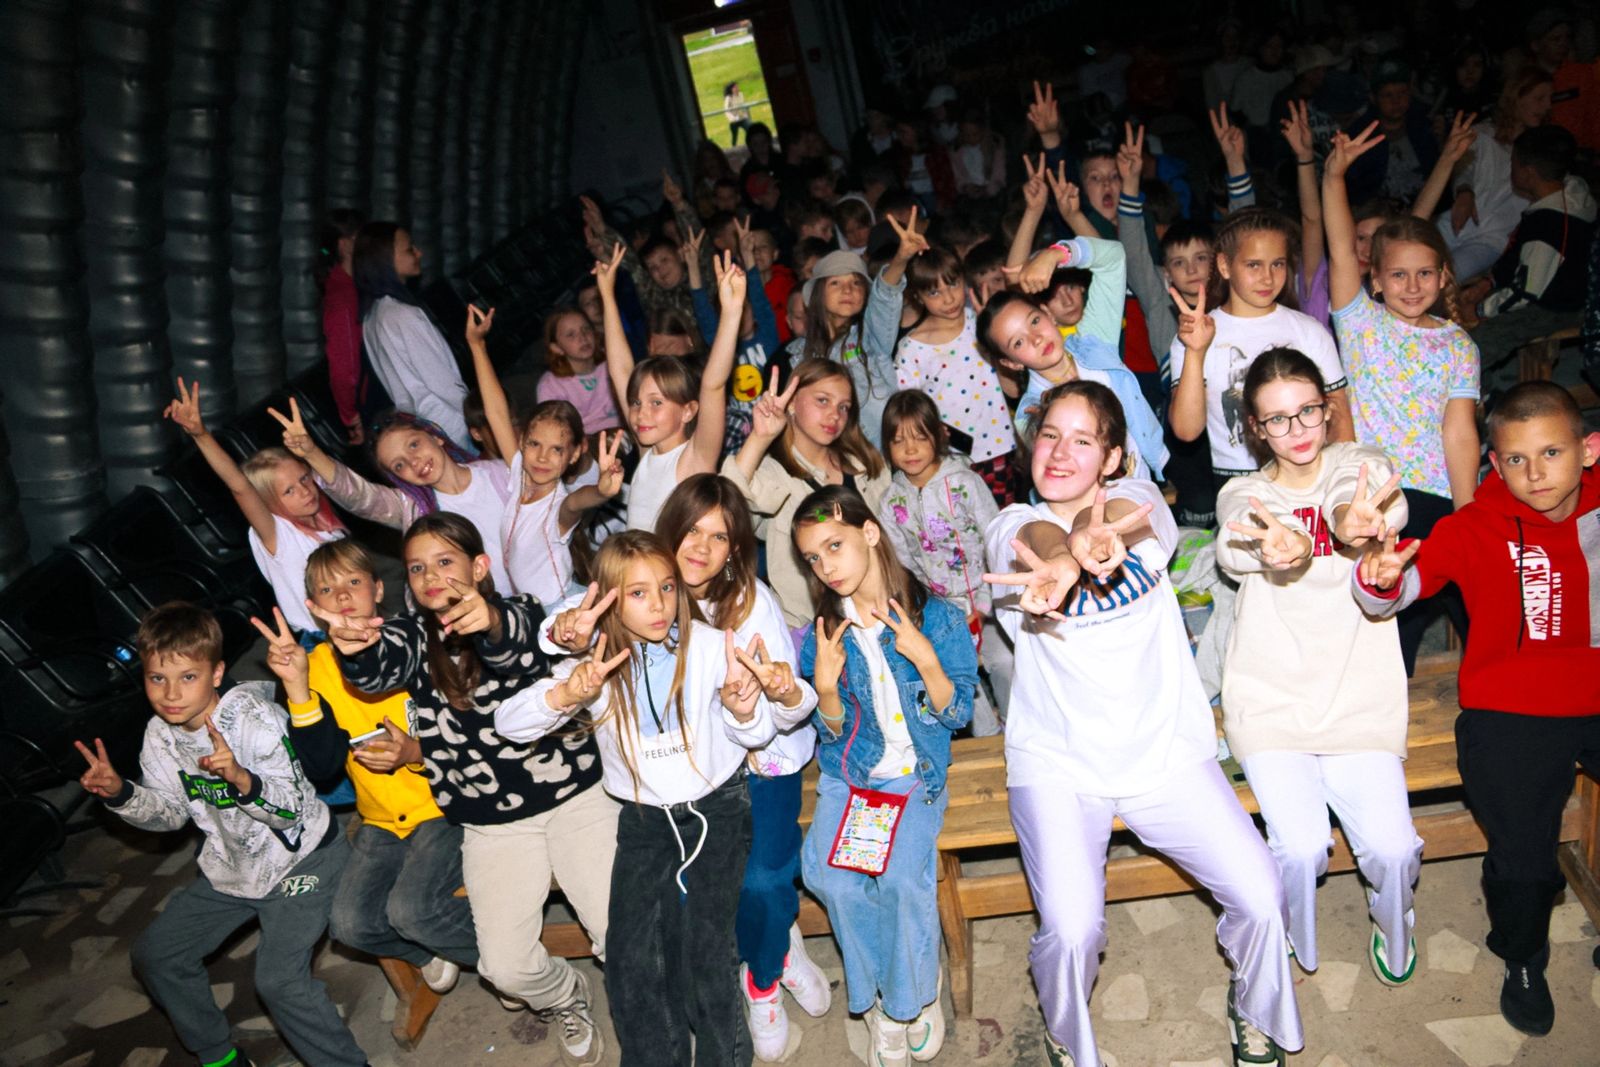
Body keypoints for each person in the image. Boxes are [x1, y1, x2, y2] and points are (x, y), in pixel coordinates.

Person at [982, 381, 1303, 1067]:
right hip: (1060, 764)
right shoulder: (1010, 526)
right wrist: (1063, 555)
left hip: (1165, 752)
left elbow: (1130, 515)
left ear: (1112, 458)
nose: (1059, 451)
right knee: (1071, 931)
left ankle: (1254, 1008)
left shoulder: (1138, 502)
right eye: (1049, 435)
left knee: (1262, 893)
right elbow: (1034, 538)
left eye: (1082, 440)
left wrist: (1095, 535)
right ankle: (1068, 1037)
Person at [498, 530, 809, 1067]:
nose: (659, 604)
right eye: (638, 593)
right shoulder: (596, 663)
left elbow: (758, 733)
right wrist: (567, 692)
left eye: (667, 587)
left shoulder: (710, 647)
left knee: (707, 954)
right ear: (609, 600)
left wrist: (742, 710)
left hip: (716, 809)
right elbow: (509, 724)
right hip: (643, 821)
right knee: (630, 960)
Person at [318, 512, 615, 1065]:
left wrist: (490, 621)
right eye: (417, 568)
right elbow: (378, 669)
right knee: (505, 969)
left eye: (445, 561)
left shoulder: (522, 612)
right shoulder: (411, 636)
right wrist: (354, 649)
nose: (431, 576)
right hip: (490, 821)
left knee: (617, 929)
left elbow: (516, 646)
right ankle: (564, 994)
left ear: (479, 566)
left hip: (574, 798)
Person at [1353, 381, 1600, 1037]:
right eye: (1516, 458)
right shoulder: (1473, 526)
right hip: (1511, 706)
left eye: (1551, 452)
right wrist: (1379, 578)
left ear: (1589, 449)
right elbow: (1399, 587)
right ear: (1494, 463)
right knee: (1524, 854)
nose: (1535, 473)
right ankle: (1523, 956)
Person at [76, 602, 367, 1067]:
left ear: (216, 673)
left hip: (304, 861)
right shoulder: (160, 735)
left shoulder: (253, 718)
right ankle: (222, 1059)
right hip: (233, 870)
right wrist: (121, 793)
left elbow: (292, 811)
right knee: (156, 954)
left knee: (279, 982)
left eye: (188, 677)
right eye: (157, 678)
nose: (171, 693)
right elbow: (170, 815)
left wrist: (243, 781)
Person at [1214, 349, 1424, 986]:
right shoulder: (1245, 491)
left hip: (1360, 694)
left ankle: (1395, 917)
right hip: (1271, 699)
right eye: (1277, 419)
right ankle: (1290, 929)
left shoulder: (1362, 469)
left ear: (1328, 410)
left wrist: (1345, 522)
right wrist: (1281, 544)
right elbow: (1236, 533)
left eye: (1307, 411)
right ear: (1256, 428)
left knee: (1393, 849)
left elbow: (1354, 497)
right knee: (1301, 848)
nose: (1297, 429)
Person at [260, 543, 478, 1040]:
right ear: (312, 606)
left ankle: (513, 963)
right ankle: (434, 950)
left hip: (442, 804)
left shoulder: (414, 641)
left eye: (353, 583)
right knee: (349, 925)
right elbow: (322, 769)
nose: (342, 597)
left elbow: (469, 730)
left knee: (412, 910)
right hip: (380, 819)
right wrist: (297, 688)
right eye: (326, 589)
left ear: (378, 589)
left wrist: (414, 752)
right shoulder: (312, 665)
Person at [793, 485, 977, 1067]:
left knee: (900, 878)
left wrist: (925, 658)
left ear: (870, 532)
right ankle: (882, 994)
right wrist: (826, 688)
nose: (826, 566)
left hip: (914, 775)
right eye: (813, 558)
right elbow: (829, 736)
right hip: (853, 778)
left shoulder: (937, 616)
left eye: (835, 545)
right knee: (834, 879)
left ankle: (912, 1001)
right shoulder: (824, 636)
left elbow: (958, 714)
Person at [652, 476, 831, 1059]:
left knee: (762, 880)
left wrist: (775, 693)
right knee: (693, 892)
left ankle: (763, 978)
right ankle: (780, 937)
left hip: (765, 763)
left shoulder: (751, 601)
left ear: (734, 548)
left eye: (719, 536)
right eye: (692, 530)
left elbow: (791, 706)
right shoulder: (650, 597)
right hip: (696, 774)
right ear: (671, 530)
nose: (701, 547)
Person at [1325, 122, 1480, 672]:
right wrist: (1334, 176)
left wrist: (1468, 514)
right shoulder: (1360, 323)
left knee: (1476, 604)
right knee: (1393, 625)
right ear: (1375, 280)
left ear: (1442, 277)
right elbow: (1339, 246)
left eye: (1424, 274)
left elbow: (1459, 431)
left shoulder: (1457, 343)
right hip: (1380, 498)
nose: (1412, 286)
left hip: (1437, 495)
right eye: (1398, 275)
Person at [1168, 207, 1353, 513]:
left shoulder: (1308, 331)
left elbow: (1340, 419)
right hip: (1237, 482)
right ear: (1224, 265)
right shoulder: (1196, 334)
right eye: (1253, 264)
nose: (1267, 277)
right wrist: (1196, 351)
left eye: (1277, 264)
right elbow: (1187, 431)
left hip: (1309, 477)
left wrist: (1344, 489)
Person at [164, 378, 346, 640]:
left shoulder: (328, 524)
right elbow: (239, 486)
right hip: (320, 640)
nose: (304, 490)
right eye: (289, 491)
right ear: (268, 501)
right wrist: (200, 435)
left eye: (304, 478)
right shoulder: (278, 534)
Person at [876, 390, 1009, 736]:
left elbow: (995, 538)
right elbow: (902, 565)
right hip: (941, 610)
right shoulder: (890, 502)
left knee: (1003, 662)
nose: (910, 449)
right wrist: (929, 612)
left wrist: (984, 604)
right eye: (898, 440)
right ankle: (987, 739)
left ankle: (1017, 727)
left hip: (989, 599)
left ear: (937, 435)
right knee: (959, 676)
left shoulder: (965, 483)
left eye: (920, 437)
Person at [981, 236, 1166, 482]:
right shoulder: (1031, 412)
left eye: (1034, 321)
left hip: (1146, 480)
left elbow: (1113, 258)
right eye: (1018, 342)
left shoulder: (1092, 342)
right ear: (1011, 362)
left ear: (1047, 313)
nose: (1036, 338)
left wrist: (1058, 254)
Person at [723, 360, 892, 629]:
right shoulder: (771, 473)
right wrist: (760, 437)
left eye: (843, 407)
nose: (835, 415)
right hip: (809, 629)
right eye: (823, 401)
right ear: (791, 403)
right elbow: (725, 513)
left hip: (883, 615)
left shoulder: (866, 465)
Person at [596, 243, 744, 531]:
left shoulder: (695, 458)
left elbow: (713, 385)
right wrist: (607, 296)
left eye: (656, 403)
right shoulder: (646, 451)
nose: (641, 413)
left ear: (688, 411)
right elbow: (621, 370)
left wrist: (731, 311)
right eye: (636, 402)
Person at [887, 224, 1016, 505]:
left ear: (963, 280)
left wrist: (991, 328)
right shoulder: (912, 347)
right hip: (950, 459)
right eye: (934, 292)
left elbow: (1013, 376)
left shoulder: (979, 321)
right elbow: (907, 406)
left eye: (953, 284)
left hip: (997, 445)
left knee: (1004, 519)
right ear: (917, 296)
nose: (948, 298)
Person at [1466, 125, 1597, 369]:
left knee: (1476, 345)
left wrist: (1480, 310)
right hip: (1556, 292)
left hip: (1559, 306)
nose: (1511, 169)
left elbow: (1527, 293)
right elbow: (1518, 261)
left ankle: (1472, 387)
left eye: (1513, 163)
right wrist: (1488, 283)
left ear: (1528, 173)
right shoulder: (1569, 194)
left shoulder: (1549, 225)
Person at [353, 222, 472, 450]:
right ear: (386, 259)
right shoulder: (403, 314)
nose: (419, 253)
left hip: (425, 430)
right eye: (409, 249)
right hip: (453, 427)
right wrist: (480, 417)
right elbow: (442, 382)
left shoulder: (372, 317)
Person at [1434, 69, 1554, 282]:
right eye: (1539, 99)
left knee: (1446, 278)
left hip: (1492, 240)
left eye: (1549, 99)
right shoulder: (1483, 133)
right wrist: (1464, 192)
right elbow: (1464, 168)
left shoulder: (1543, 151)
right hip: (1457, 222)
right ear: (1517, 97)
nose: (1547, 106)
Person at [685, 222, 784, 455]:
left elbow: (758, 296)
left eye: (743, 309)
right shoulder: (721, 346)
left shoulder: (767, 336)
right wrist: (692, 265)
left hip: (772, 420)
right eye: (731, 313)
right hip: (739, 429)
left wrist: (748, 255)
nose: (738, 317)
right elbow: (702, 309)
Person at [796, 248, 904, 447]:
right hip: (837, 454)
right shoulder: (799, 355)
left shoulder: (872, 336)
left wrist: (901, 258)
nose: (847, 290)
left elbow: (885, 298)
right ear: (818, 293)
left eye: (856, 283)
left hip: (888, 451)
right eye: (835, 283)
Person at [1341, 59, 1441, 206]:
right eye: (1387, 95)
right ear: (1373, 98)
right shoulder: (1359, 136)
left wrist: (1441, 140)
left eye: (1402, 93)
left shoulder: (1424, 126)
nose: (1396, 101)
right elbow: (1353, 191)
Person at [318, 209, 372, 445]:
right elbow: (343, 368)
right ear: (345, 245)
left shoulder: (355, 286)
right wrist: (351, 417)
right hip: (367, 408)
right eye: (362, 238)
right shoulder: (342, 296)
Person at [534, 306, 623, 439]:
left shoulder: (612, 363)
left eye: (586, 329)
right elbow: (556, 430)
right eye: (571, 335)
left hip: (624, 431)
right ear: (557, 347)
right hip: (586, 442)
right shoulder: (550, 385)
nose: (583, 337)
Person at [725, 82, 752, 146]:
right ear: (731, 89)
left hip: (742, 118)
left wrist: (747, 116)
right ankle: (734, 147)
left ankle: (749, 143)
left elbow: (744, 105)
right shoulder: (728, 98)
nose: (737, 88)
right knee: (735, 136)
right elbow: (726, 111)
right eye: (735, 87)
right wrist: (733, 118)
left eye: (737, 87)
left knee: (750, 129)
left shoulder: (741, 94)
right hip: (734, 121)